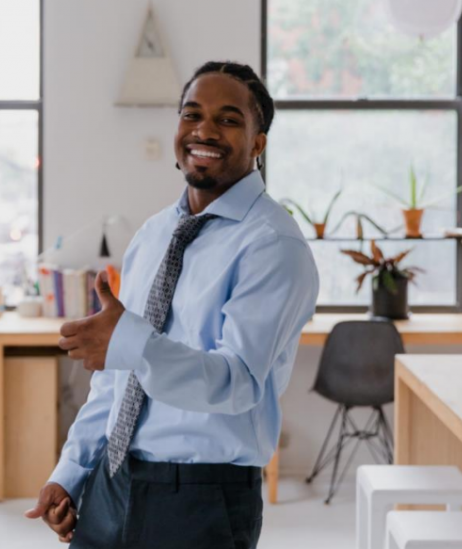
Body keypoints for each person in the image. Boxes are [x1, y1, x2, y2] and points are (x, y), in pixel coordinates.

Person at [24, 61, 319, 549]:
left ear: (258, 144)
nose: (204, 130)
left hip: (202, 499)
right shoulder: (154, 233)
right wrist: (73, 470)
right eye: (191, 114)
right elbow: (117, 378)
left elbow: (238, 381)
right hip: (112, 482)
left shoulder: (273, 244)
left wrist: (130, 342)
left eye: (228, 119)